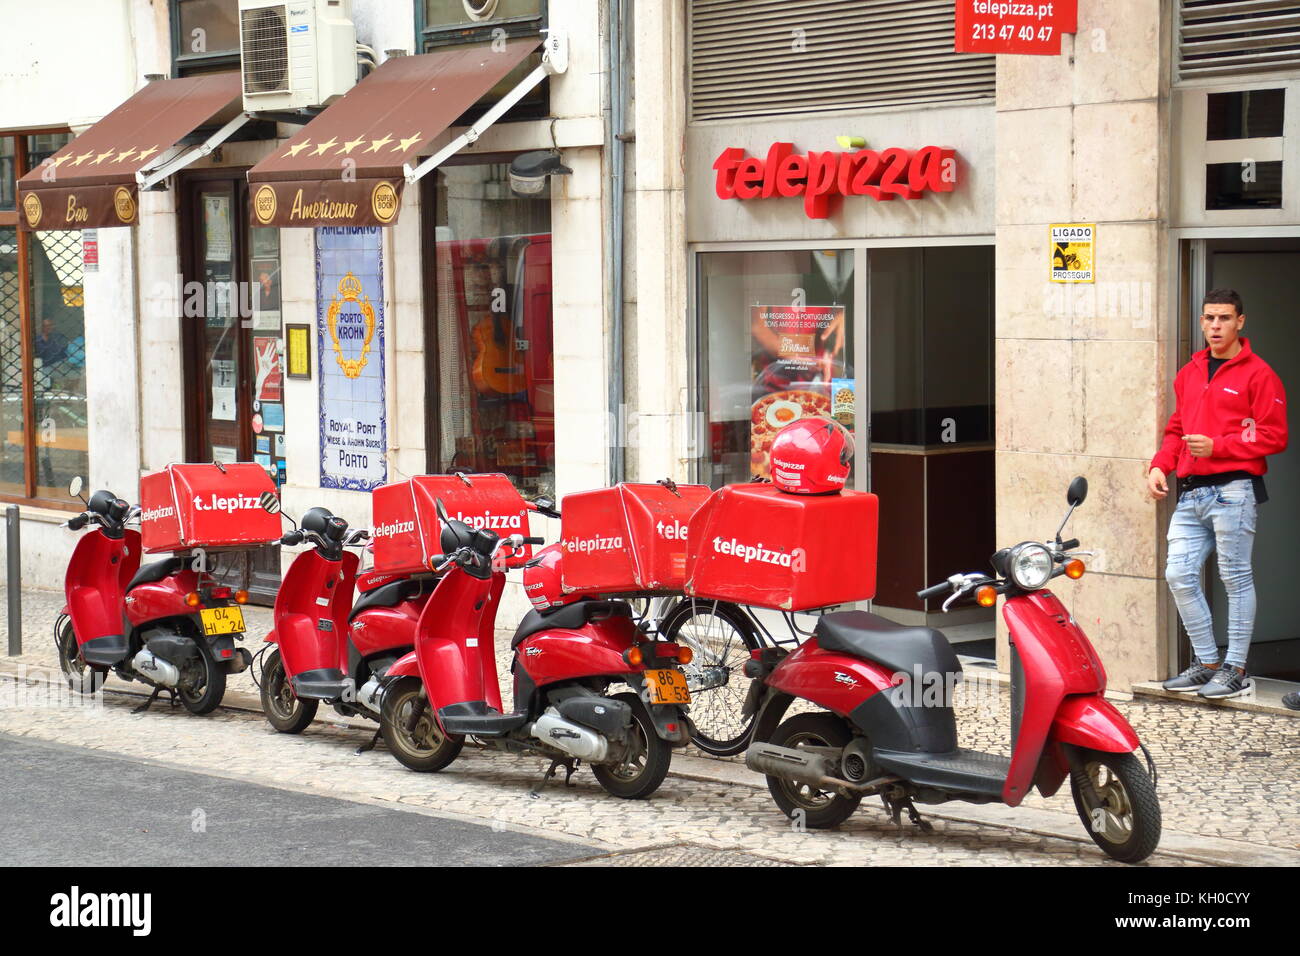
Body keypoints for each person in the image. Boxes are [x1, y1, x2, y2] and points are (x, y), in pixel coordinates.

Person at [1147, 289, 1288, 699]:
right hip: (1191, 494)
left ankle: (1235, 671)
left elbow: (1274, 435)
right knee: (1178, 573)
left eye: (1224, 318)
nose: (1214, 326)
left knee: (1235, 577)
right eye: (1209, 319)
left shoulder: (1260, 374)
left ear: (1240, 322)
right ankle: (1207, 663)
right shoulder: (1189, 373)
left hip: (1233, 490)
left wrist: (1219, 446)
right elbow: (1177, 428)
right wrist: (1161, 465)